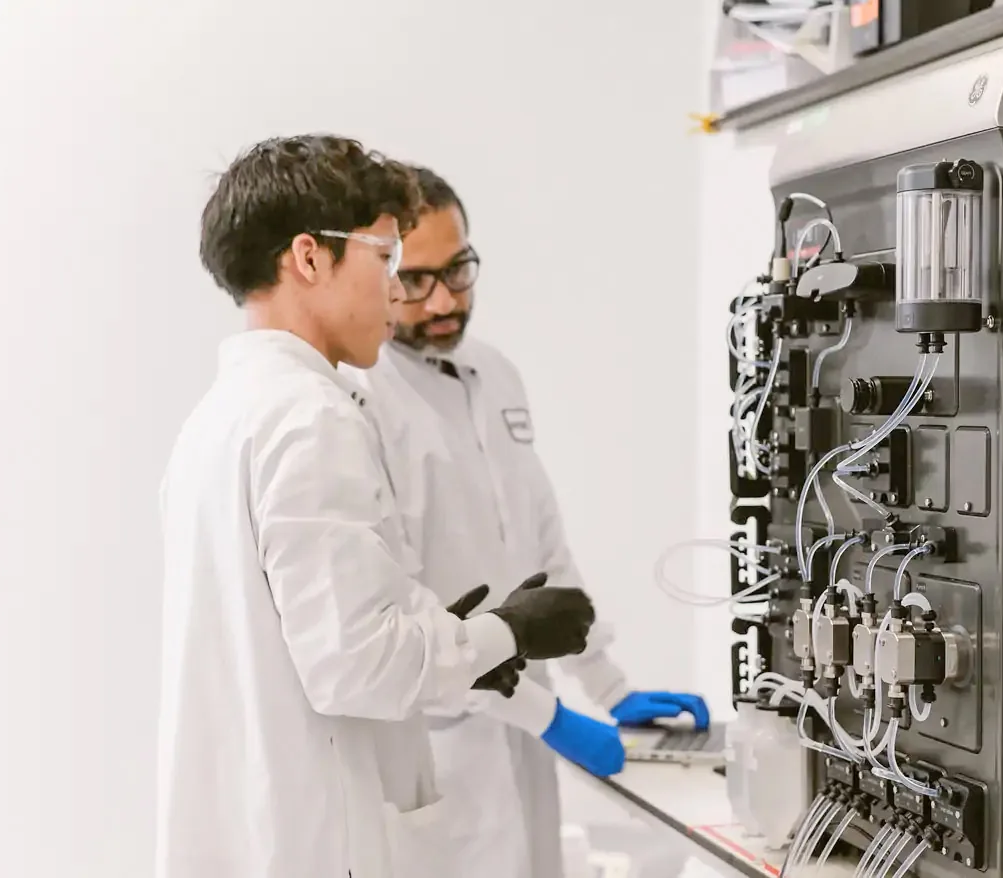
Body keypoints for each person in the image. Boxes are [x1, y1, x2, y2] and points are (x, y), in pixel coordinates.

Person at [156, 135, 597, 878]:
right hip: (314, 843)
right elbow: (356, 664)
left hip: (254, 833)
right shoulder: (312, 416)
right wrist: (507, 633)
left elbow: (309, 632)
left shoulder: (221, 416)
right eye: (386, 260)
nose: (399, 293)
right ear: (309, 257)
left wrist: (443, 636)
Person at [355, 165, 711, 878]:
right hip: (440, 739)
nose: (447, 299)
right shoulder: (362, 400)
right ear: (384, 276)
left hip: (524, 734)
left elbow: (538, 542)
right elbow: (401, 617)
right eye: (419, 281)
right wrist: (545, 718)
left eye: (460, 269)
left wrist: (608, 686)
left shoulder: (494, 373)